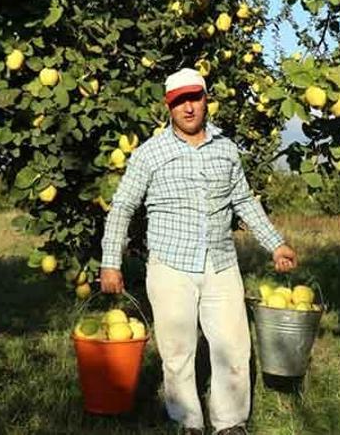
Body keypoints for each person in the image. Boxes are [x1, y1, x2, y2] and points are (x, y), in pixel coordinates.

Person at [99, 68, 297, 435]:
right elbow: (123, 206)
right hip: (170, 265)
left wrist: (276, 243)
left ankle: (230, 423)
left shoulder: (226, 149)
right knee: (177, 353)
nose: (188, 108)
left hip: (220, 262)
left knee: (235, 347)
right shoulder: (149, 153)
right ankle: (186, 422)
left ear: (206, 99)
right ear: (168, 107)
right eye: (179, 102)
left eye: (195, 98)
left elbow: (244, 202)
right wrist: (111, 262)